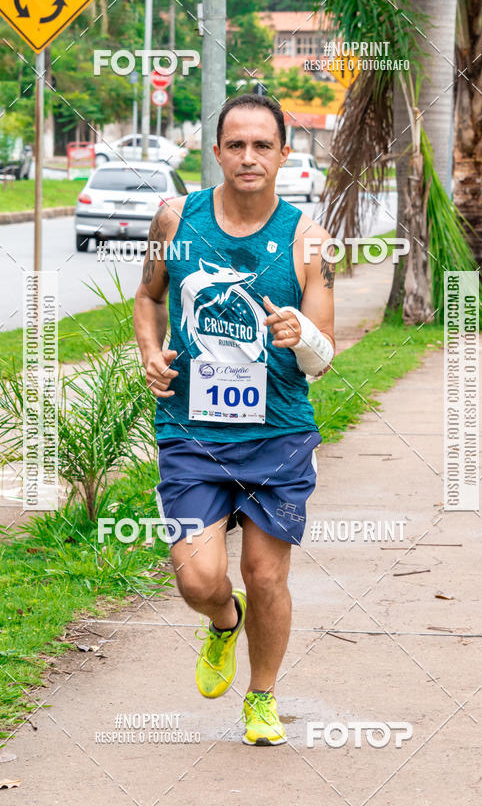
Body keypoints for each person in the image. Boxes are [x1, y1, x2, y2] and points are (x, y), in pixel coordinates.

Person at [133, 93, 335, 746]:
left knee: (266, 574)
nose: (249, 157)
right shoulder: (175, 218)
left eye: (263, 145)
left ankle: (262, 697)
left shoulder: (307, 237)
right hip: (191, 433)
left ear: (283, 154)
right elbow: (147, 296)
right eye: (236, 144)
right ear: (216, 151)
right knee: (198, 577)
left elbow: (324, 356)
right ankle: (223, 621)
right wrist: (150, 353)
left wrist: (299, 330)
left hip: (277, 433)